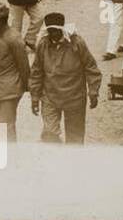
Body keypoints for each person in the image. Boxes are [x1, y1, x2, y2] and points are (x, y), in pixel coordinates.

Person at [29, 12, 100, 144]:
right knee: (49, 134)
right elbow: (36, 72)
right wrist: (35, 97)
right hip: (50, 97)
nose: (53, 35)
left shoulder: (77, 43)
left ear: (62, 30)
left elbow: (91, 68)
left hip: (74, 98)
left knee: (75, 138)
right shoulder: (43, 44)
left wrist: (93, 91)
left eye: (56, 31)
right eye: (50, 31)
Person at [0, 2, 29, 142]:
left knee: (6, 128)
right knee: (0, 126)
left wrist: (27, 87)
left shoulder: (14, 38)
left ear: (0, 21)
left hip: (10, 89)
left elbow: (24, 66)